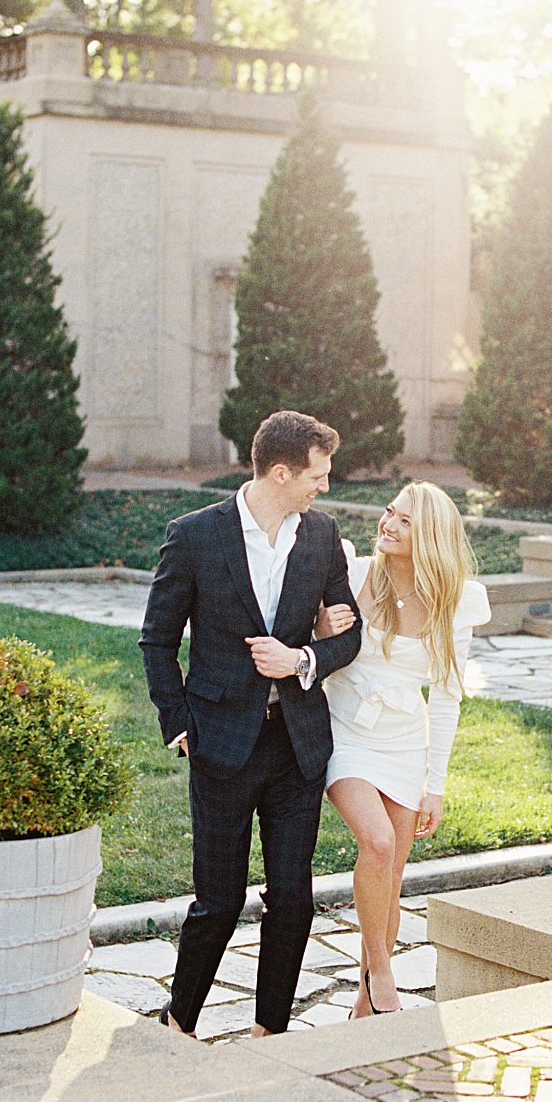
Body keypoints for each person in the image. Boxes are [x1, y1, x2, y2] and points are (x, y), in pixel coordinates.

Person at [139, 410, 365, 1038]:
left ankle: (272, 1030)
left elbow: (351, 633)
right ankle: (178, 1022)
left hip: (296, 745)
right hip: (220, 743)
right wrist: (177, 721)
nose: (325, 486)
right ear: (283, 471)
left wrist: (304, 659)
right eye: (317, 474)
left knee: (293, 895)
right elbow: (158, 640)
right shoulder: (194, 536)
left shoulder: (321, 536)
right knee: (218, 900)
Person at [313, 482, 488, 1016]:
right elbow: (312, 644)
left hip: (405, 741)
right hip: (344, 728)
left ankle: (367, 1012)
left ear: (429, 535)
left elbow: (446, 697)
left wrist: (435, 784)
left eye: (405, 520)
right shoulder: (352, 572)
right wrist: (320, 628)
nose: (388, 523)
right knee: (380, 844)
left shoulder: (456, 601)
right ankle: (382, 973)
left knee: (391, 872)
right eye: (390, 512)